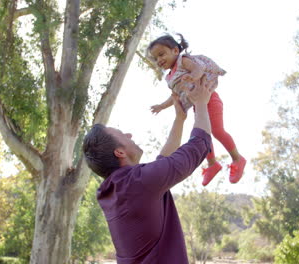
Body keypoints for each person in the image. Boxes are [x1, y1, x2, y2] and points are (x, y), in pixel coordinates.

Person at [83, 76, 212, 263]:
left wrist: (179, 119)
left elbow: (163, 162)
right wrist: (201, 103)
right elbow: (198, 146)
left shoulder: (116, 190)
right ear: (119, 152)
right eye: (122, 134)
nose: (129, 134)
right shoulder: (138, 183)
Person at [148, 33, 246, 186]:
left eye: (161, 54)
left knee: (217, 130)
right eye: (155, 58)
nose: (159, 60)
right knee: (202, 133)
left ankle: (237, 158)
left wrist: (193, 76)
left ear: (175, 50)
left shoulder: (183, 61)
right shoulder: (170, 77)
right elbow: (175, 96)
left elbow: (199, 69)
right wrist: (162, 106)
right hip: (198, 105)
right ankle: (212, 164)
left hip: (210, 98)